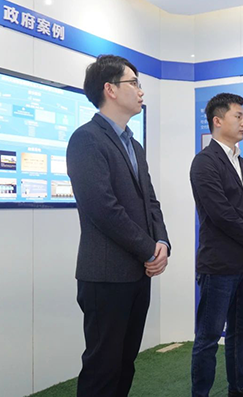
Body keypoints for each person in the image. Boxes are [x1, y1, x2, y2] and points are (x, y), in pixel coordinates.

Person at [67, 54, 171, 397]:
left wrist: (162, 243)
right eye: (134, 83)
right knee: (103, 368)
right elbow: (103, 209)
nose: (141, 91)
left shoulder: (134, 145)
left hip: (138, 273)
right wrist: (148, 249)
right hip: (106, 275)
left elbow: (150, 201)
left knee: (125, 364)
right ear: (110, 89)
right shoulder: (86, 139)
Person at [190, 93, 243, 397]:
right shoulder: (204, 163)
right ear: (218, 120)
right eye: (238, 116)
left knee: (241, 331)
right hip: (219, 265)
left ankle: (238, 387)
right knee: (208, 337)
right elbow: (221, 213)